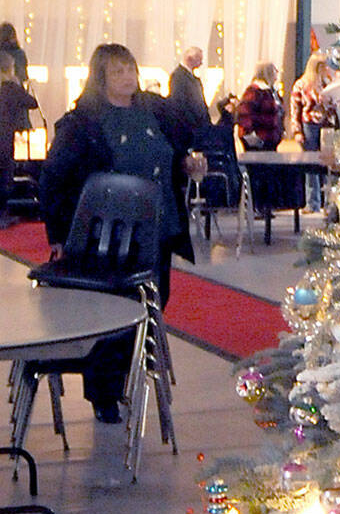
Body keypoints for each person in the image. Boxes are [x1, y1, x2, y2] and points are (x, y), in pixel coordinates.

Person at [41, 44, 204, 455]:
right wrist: (58, 235)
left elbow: (178, 148)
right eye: (117, 72)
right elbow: (55, 178)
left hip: (156, 228)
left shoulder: (155, 111)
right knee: (112, 313)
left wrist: (187, 164)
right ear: (101, 77)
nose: (127, 78)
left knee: (154, 301)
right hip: (108, 236)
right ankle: (105, 392)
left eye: (130, 70)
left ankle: (135, 376)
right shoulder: (84, 122)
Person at [289, 50, 338, 209]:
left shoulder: (328, 82)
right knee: (311, 164)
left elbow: (336, 104)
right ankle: (312, 202)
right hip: (309, 125)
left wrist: (329, 102)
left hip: (327, 126)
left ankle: (329, 203)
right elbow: (295, 109)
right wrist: (297, 131)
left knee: (328, 163)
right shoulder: (301, 85)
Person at [0, 46, 38, 219]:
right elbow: (32, 103)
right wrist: (18, 84)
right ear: (10, 68)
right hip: (5, 137)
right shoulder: (10, 87)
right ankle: (2, 214)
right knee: (5, 174)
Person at [236, 62, 284, 150]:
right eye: (274, 70)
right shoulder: (254, 91)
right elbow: (245, 115)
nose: (277, 73)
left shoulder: (272, 91)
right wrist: (252, 136)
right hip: (258, 141)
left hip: (270, 140)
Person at [168, 45, 211, 135]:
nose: (201, 63)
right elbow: (179, 103)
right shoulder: (178, 76)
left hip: (198, 126)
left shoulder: (192, 78)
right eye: (199, 59)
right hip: (189, 128)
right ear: (190, 59)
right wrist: (193, 124)